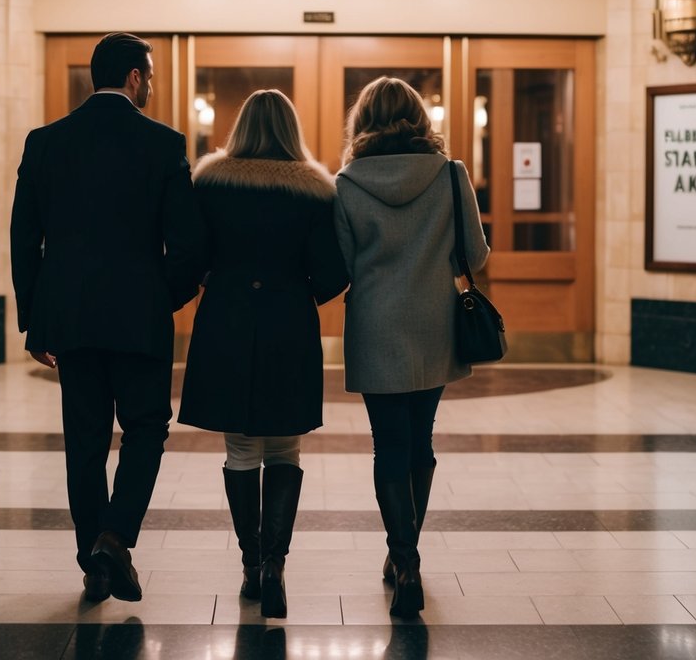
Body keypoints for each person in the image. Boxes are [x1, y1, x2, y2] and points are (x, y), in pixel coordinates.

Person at [10, 32, 206, 603]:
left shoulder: (45, 142)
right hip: (138, 318)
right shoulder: (163, 144)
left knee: (86, 438)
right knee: (146, 427)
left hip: (69, 318)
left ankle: (93, 558)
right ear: (136, 78)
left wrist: (34, 318)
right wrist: (160, 296)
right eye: (151, 75)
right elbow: (188, 245)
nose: (153, 85)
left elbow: (25, 238)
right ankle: (115, 539)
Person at [178, 90, 348, 618]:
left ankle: (251, 564)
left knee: (240, 450)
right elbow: (333, 274)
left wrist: (219, 282)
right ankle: (276, 563)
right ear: (291, 130)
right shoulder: (315, 191)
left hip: (225, 323)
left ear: (241, 126)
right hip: (288, 325)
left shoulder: (210, 183)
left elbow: (191, 255)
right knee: (285, 449)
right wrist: (296, 291)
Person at [334, 77, 489, 619]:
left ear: (363, 122)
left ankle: (404, 559)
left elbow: (342, 263)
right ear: (421, 119)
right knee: (420, 441)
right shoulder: (451, 175)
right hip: (434, 325)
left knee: (387, 446)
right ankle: (406, 555)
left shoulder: (347, 183)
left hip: (375, 325)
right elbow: (476, 252)